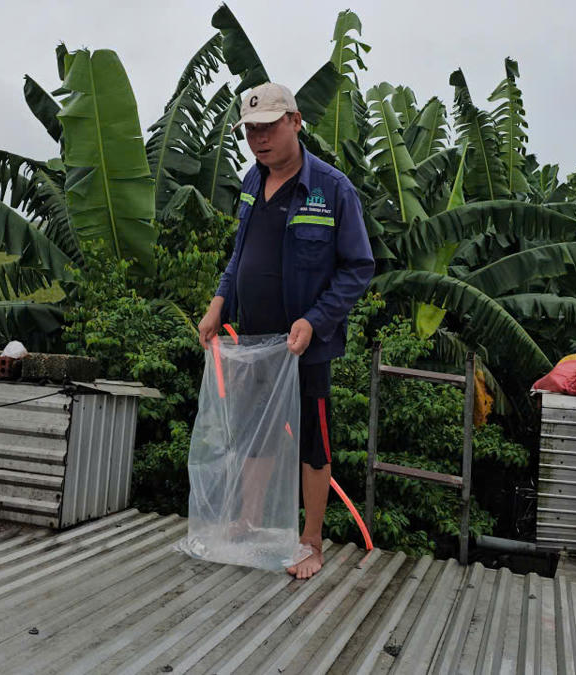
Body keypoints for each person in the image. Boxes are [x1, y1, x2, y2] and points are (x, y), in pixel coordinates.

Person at [197, 82, 375, 579]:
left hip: (304, 349)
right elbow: (239, 258)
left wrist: (314, 321)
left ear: (296, 122)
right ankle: (249, 520)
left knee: (313, 443)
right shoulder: (252, 183)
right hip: (253, 344)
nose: (259, 138)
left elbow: (358, 267)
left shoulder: (332, 188)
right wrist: (217, 305)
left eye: (269, 127)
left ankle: (311, 542)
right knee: (255, 435)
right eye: (251, 130)